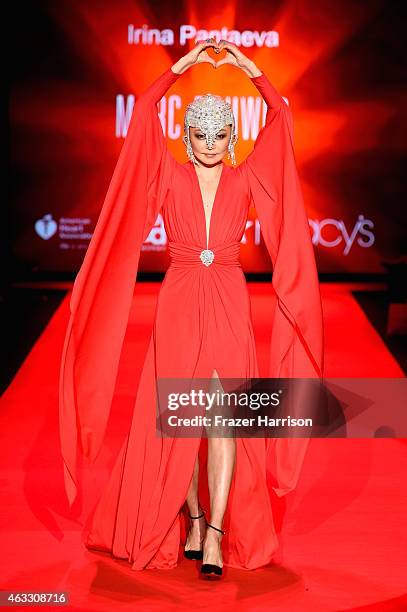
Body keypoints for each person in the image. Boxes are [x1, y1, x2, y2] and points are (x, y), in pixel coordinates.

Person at [59, 38, 324, 579]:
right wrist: (179, 68)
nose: (208, 142)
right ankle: (196, 517)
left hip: (228, 295)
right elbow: (142, 119)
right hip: (179, 297)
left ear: (232, 136)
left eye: (219, 133)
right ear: (187, 133)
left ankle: (218, 531)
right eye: (199, 132)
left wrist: (251, 70)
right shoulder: (169, 174)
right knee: (181, 416)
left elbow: (282, 119)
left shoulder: (246, 176)